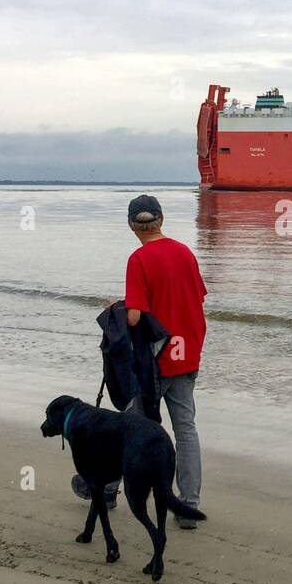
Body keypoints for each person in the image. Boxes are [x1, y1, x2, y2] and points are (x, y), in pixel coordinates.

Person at [121, 194, 208, 527]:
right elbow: (195, 296)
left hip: (154, 361)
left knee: (131, 425)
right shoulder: (184, 252)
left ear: (132, 225)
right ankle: (189, 505)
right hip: (188, 351)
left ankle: (107, 487)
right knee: (185, 429)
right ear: (162, 219)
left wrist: (118, 306)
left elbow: (133, 317)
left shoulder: (139, 259)